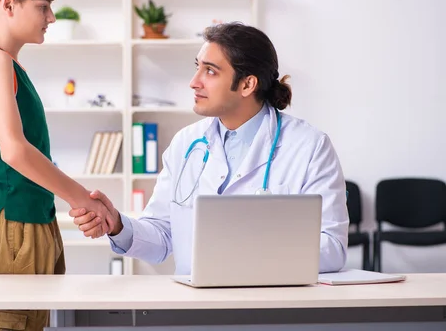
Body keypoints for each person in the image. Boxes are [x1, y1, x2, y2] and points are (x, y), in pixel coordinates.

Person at [70, 21, 349, 274]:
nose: (194, 82)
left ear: (247, 84)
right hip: (195, 307)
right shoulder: (185, 144)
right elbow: (163, 236)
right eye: (197, 67)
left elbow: (332, 248)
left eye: (210, 71)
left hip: (269, 306)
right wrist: (118, 224)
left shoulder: (309, 146)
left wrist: (242, 249)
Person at [0, 0, 113, 331]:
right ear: (7, 3)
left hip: (28, 222)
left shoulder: (6, 64)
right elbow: (14, 151)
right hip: (7, 223)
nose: (52, 18)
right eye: (43, 7)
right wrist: (82, 199)